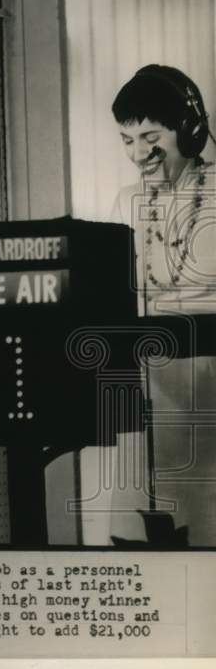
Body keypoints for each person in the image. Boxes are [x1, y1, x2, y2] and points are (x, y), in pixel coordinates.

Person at [109, 64, 216, 546]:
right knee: (139, 533)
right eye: (127, 140)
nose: (138, 154)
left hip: (206, 384)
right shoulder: (125, 201)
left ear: (189, 131)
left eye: (151, 138)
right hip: (146, 385)